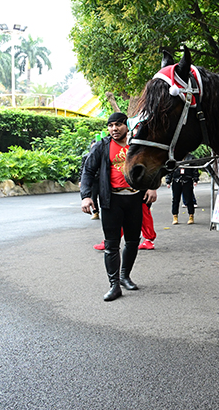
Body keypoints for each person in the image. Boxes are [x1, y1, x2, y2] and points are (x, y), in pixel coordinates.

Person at [80, 112, 159, 301]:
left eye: (117, 125)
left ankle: (125, 276)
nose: (114, 129)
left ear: (126, 125)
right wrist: (86, 196)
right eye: (110, 125)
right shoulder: (102, 146)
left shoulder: (137, 144)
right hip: (112, 200)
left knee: (132, 241)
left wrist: (152, 187)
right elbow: (88, 171)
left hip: (134, 199)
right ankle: (114, 284)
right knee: (111, 244)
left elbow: (152, 166)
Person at [166, 160, 199, 225]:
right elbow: (170, 170)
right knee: (175, 200)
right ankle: (175, 216)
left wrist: (195, 179)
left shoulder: (190, 158)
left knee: (189, 199)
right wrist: (168, 180)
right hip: (176, 180)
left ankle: (191, 215)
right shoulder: (175, 158)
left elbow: (195, 168)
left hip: (187, 180)